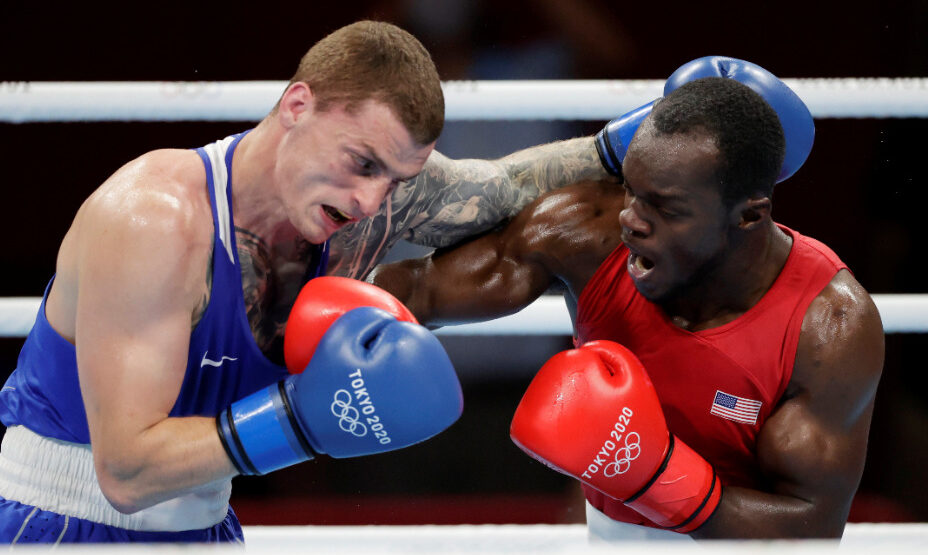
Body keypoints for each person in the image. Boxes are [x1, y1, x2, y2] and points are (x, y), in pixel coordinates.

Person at [0, 20, 613, 544]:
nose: (371, 201)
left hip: (205, 520)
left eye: (395, 180)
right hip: (62, 521)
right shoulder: (157, 222)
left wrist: (635, 140)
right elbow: (126, 473)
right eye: (363, 163)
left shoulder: (357, 203)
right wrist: (299, 419)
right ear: (297, 106)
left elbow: (507, 187)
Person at [369, 58, 885, 539]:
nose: (631, 219)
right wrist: (334, 319)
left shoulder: (827, 326)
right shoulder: (588, 233)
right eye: (631, 191)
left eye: (665, 208)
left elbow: (813, 524)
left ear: (749, 216)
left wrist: (658, 478)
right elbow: (418, 292)